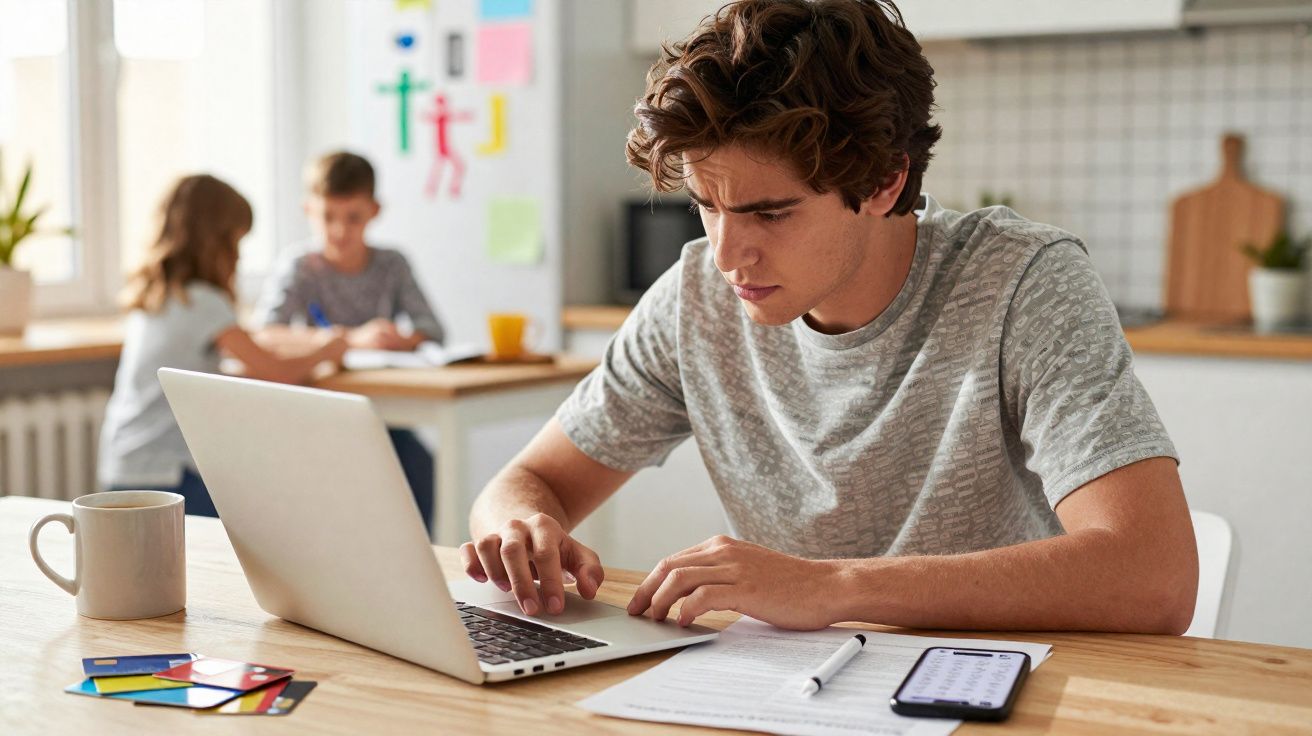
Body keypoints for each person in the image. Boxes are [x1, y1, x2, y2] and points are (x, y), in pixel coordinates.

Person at [462, 0, 1199, 634]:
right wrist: (521, 530)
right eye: (706, 206)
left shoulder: (1021, 283)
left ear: (883, 181)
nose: (725, 255)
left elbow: (1154, 575)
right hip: (792, 693)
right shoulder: (695, 301)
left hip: (999, 686)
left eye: (769, 214)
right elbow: (526, 484)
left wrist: (831, 587)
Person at [99, 175, 348, 516]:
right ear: (217, 240)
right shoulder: (203, 302)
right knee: (269, 509)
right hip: (168, 475)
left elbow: (240, 355)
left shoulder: (158, 296)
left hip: (125, 466)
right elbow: (276, 371)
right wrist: (327, 349)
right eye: (237, 241)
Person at [255, 151, 443, 532]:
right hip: (319, 411)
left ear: (374, 211)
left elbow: (433, 329)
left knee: (417, 466)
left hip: (384, 411)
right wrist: (350, 339)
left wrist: (400, 340)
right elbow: (265, 332)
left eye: (352, 217)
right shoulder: (299, 265)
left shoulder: (392, 263)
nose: (339, 231)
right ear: (308, 209)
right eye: (328, 217)